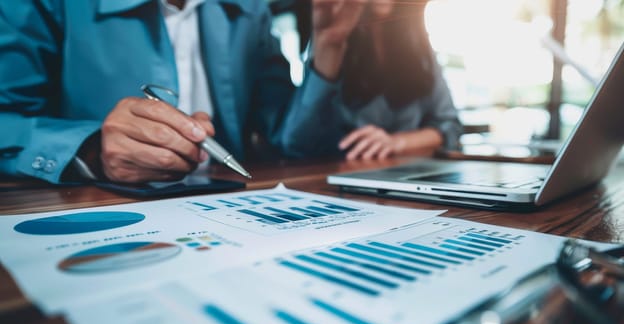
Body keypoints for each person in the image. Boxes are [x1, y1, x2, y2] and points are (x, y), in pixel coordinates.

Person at [0, 0, 366, 184]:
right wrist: (90, 150)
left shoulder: (252, 10)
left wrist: (330, 45)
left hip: (227, 215)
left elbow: (293, 143)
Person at [335, 0, 462, 160]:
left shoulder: (420, 50)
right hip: (342, 166)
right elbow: (301, 141)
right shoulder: (332, 43)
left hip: (410, 167)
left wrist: (396, 142)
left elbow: (450, 126)